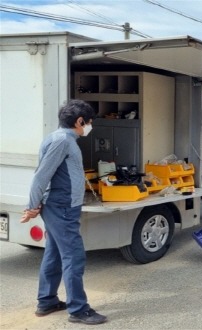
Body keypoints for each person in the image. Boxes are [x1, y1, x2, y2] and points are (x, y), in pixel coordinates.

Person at [20, 100, 107, 325]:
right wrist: (32, 206)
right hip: (62, 208)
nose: (89, 127)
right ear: (79, 121)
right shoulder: (62, 141)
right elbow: (41, 176)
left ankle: (47, 301)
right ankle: (78, 309)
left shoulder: (60, 139)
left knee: (55, 254)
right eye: (88, 123)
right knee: (74, 257)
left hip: (60, 206)